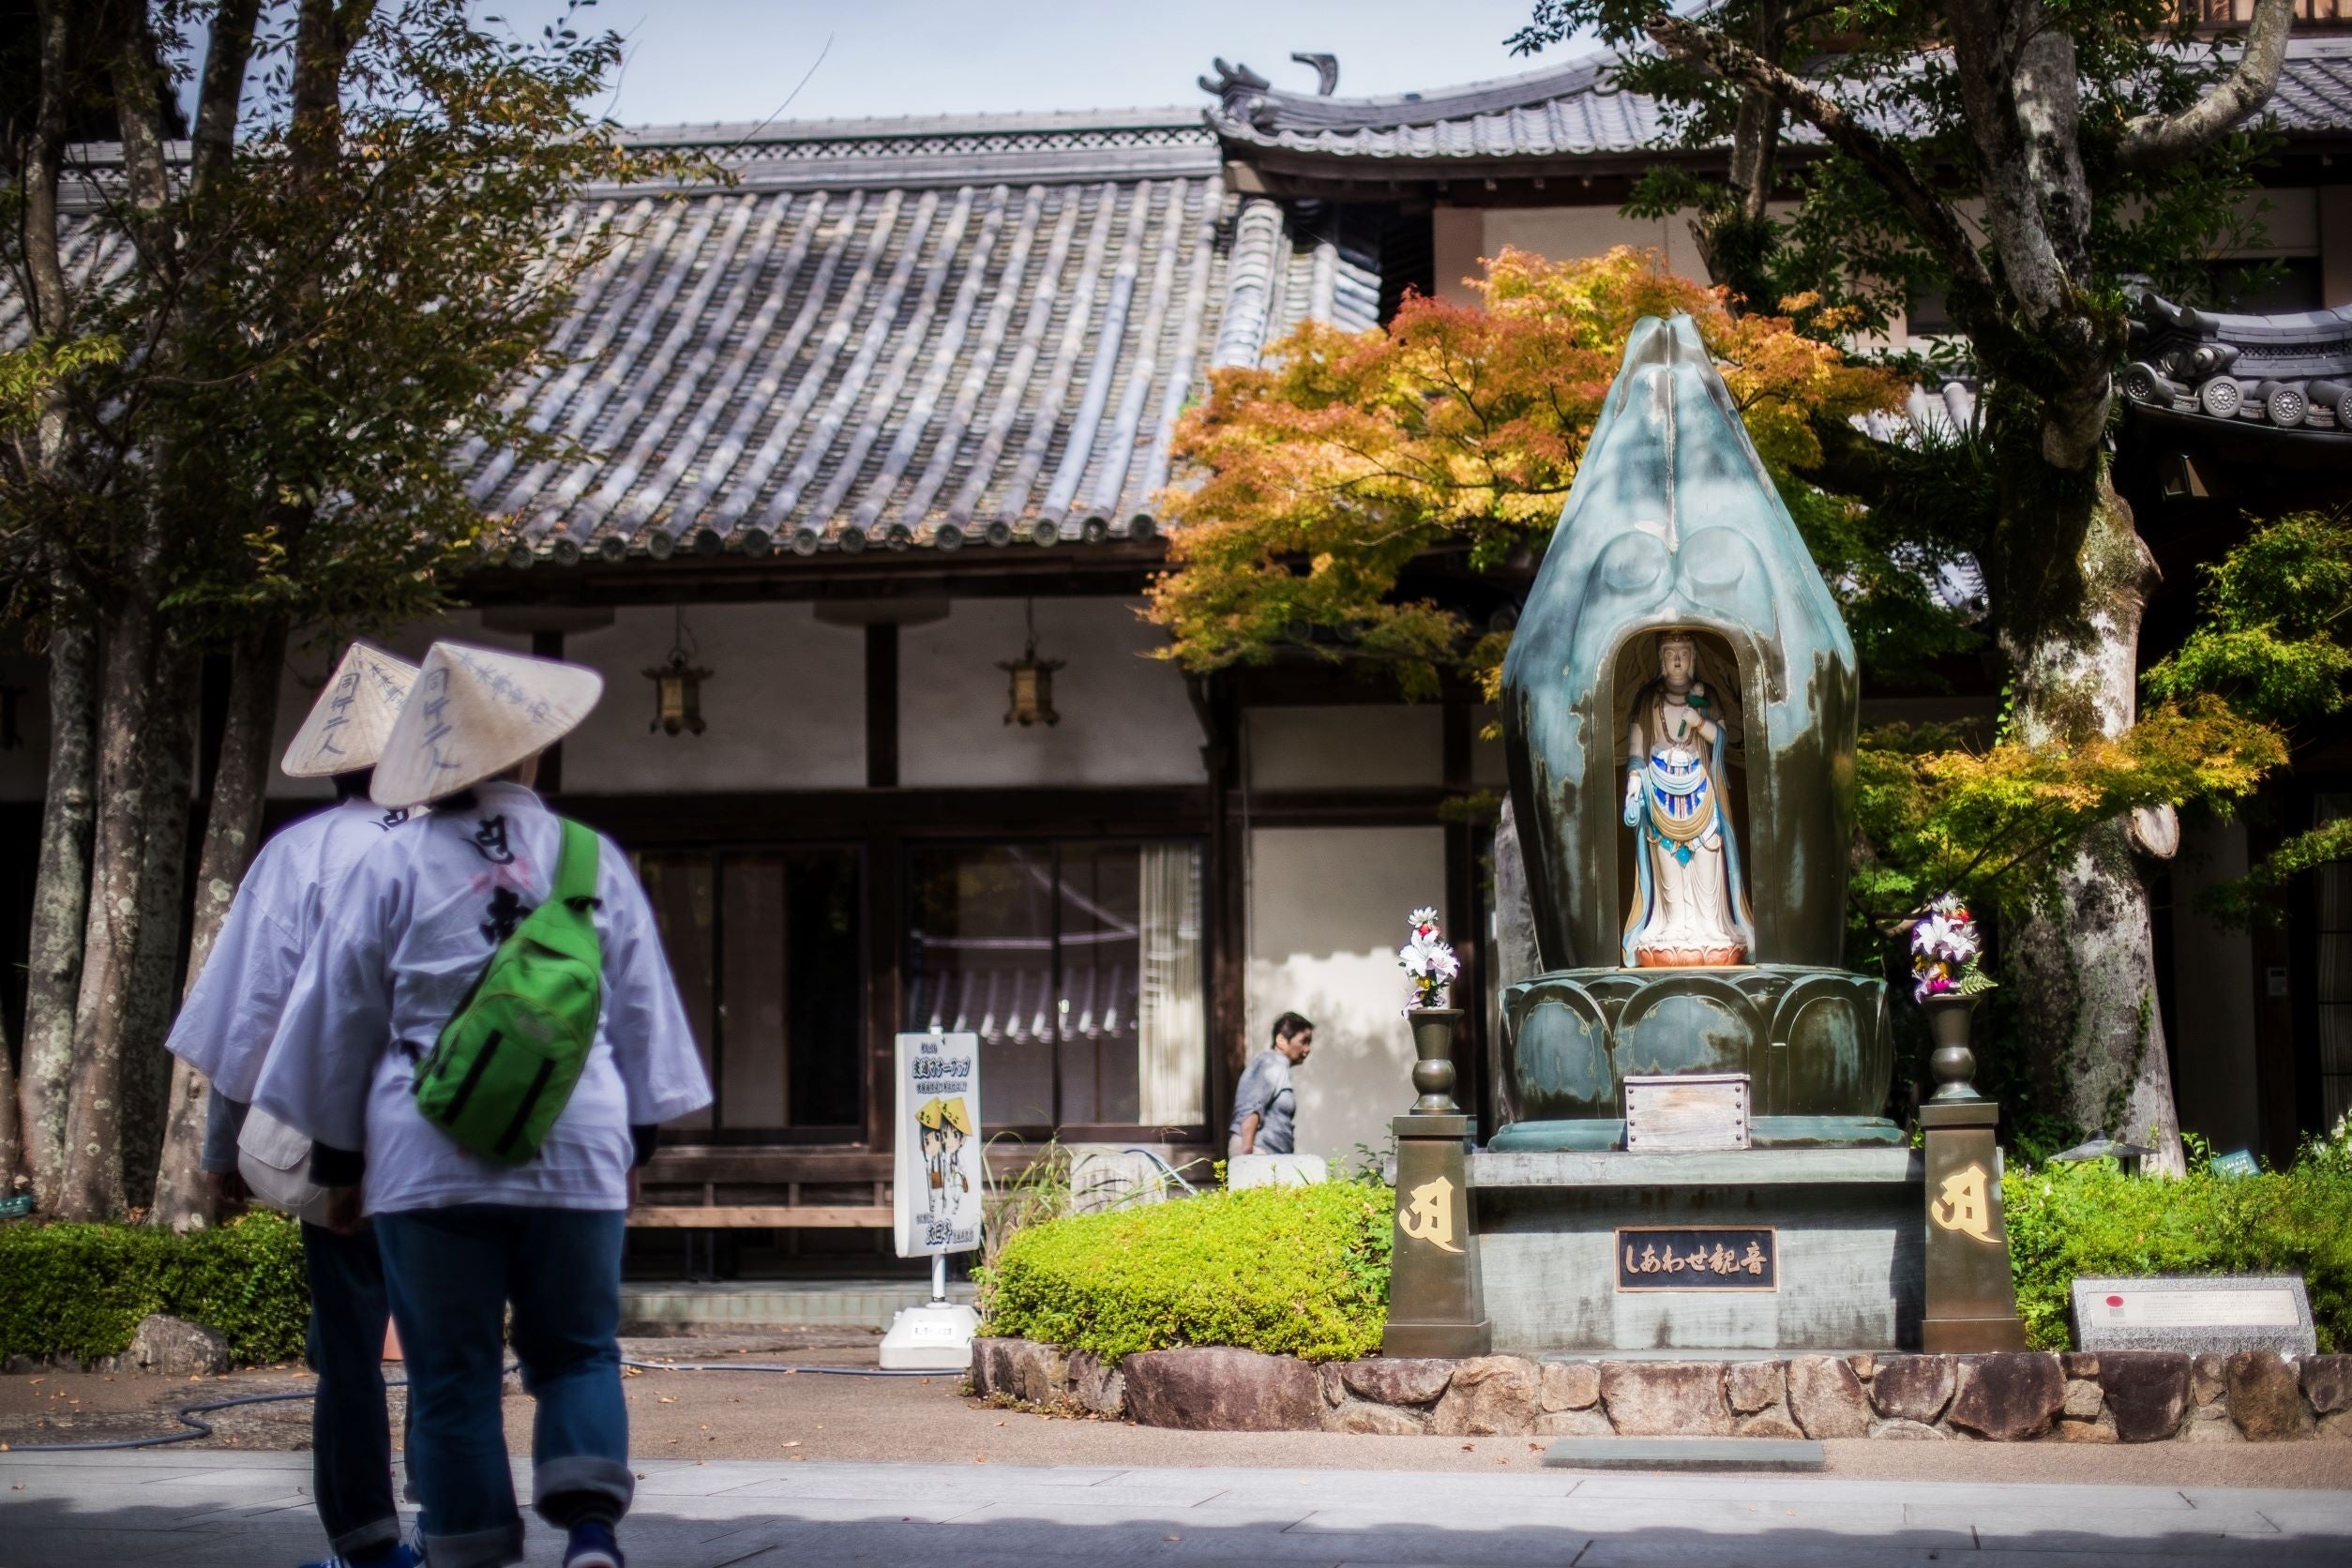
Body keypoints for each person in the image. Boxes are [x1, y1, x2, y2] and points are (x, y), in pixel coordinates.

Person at [254, 641, 712, 1568]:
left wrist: (339, 1168)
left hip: (425, 1155)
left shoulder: (391, 864)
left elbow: (338, 1023)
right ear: (530, 753)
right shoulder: (589, 856)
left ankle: (472, 1555)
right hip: (572, 1141)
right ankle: (589, 1533)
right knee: (579, 1351)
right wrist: (630, 1147)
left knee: (451, 1376)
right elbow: (642, 1020)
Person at [167, 641, 423, 1568]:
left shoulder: (300, 856)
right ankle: (462, 1521)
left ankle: (368, 1541)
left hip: (337, 1139)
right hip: (450, 1138)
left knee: (349, 1346)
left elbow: (246, 1020)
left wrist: (222, 1150)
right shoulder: (458, 853)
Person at [1229, 1012, 1313, 1156]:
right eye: (1303, 1041)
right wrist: (1247, 1156)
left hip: (1267, 1154)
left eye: (1309, 1043)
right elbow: (1252, 1107)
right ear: (1281, 1039)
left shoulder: (1279, 1065)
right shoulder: (1273, 1062)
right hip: (1257, 1152)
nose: (1307, 1049)